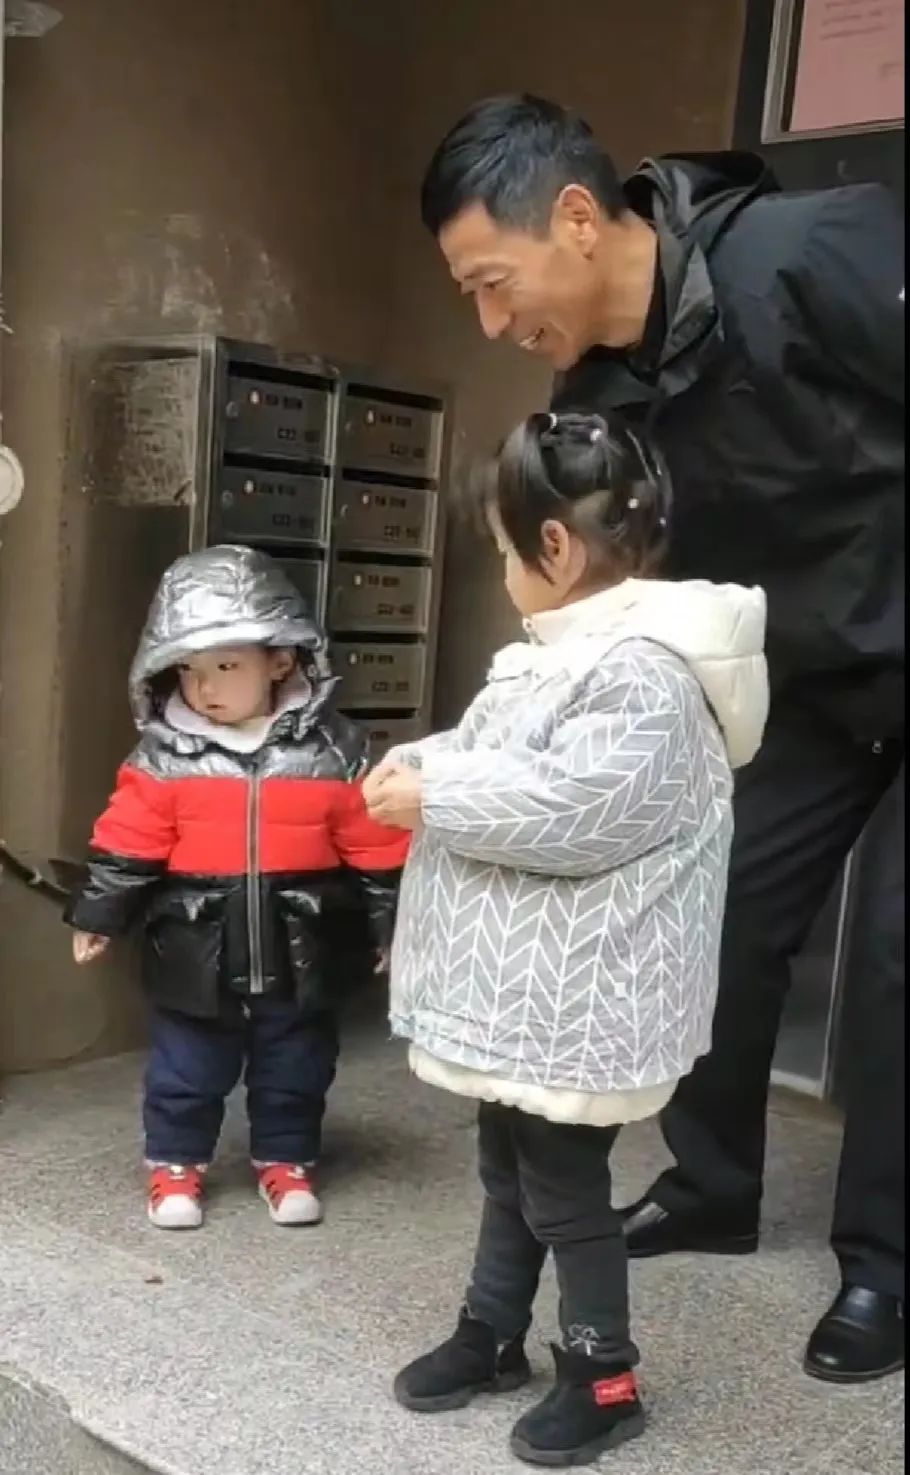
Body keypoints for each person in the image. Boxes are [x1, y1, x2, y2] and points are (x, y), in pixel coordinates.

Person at [417, 93, 905, 1384]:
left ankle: (886, 1260)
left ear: (576, 218)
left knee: (896, 954)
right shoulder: (595, 390)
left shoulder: (809, 252)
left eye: (491, 281)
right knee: (711, 910)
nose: (491, 321)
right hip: (807, 677)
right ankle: (713, 1183)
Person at [363, 410, 768, 1468]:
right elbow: (500, 754)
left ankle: (603, 1372)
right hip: (527, 999)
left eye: (506, 550)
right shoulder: (555, 658)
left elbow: (575, 806)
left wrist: (435, 794)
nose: (504, 572)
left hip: (581, 1001)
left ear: (555, 546)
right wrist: (422, 762)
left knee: (563, 1188)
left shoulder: (643, 675)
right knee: (510, 1163)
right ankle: (491, 1329)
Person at [65, 544, 408, 1231]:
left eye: (226, 666)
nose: (206, 687)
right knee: (186, 1065)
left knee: (297, 1063)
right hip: (196, 947)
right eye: (189, 670)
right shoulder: (165, 755)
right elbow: (129, 838)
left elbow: (375, 843)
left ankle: (286, 1159)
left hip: (301, 943)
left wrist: (392, 926)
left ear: (281, 659)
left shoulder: (334, 751)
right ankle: (174, 1163)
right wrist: (98, 912)